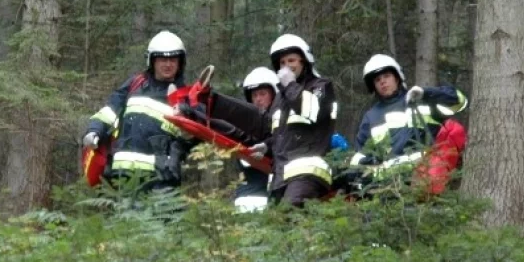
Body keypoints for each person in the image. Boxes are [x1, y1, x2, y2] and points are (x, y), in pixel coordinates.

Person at [197, 34, 338, 208]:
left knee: (290, 217)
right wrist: (267, 145)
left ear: (304, 61)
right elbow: (267, 125)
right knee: (278, 226)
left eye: (291, 60)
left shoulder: (321, 86)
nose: (287, 67)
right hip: (280, 176)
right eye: (282, 63)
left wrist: (290, 86)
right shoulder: (281, 98)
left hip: (308, 172)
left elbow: (313, 112)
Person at [82, 31, 197, 193]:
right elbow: (109, 111)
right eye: (162, 59)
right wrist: (94, 130)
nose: (168, 64)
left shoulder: (187, 98)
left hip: (162, 180)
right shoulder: (134, 84)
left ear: (180, 62)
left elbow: (194, 139)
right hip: (122, 177)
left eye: (173, 59)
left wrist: (186, 118)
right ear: (152, 60)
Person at [350, 54, 468, 195]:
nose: (382, 82)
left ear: (397, 77)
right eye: (377, 80)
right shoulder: (371, 117)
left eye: (386, 76)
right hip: (389, 189)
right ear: (373, 86)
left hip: (428, 182)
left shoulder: (419, 99)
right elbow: (359, 155)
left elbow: (459, 101)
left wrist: (427, 93)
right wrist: (369, 162)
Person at [232, 67, 278, 213]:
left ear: (274, 95)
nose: (258, 99)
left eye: (263, 94)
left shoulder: (283, 122)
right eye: (255, 95)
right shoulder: (242, 125)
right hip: (247, 194)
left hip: (274, 192)